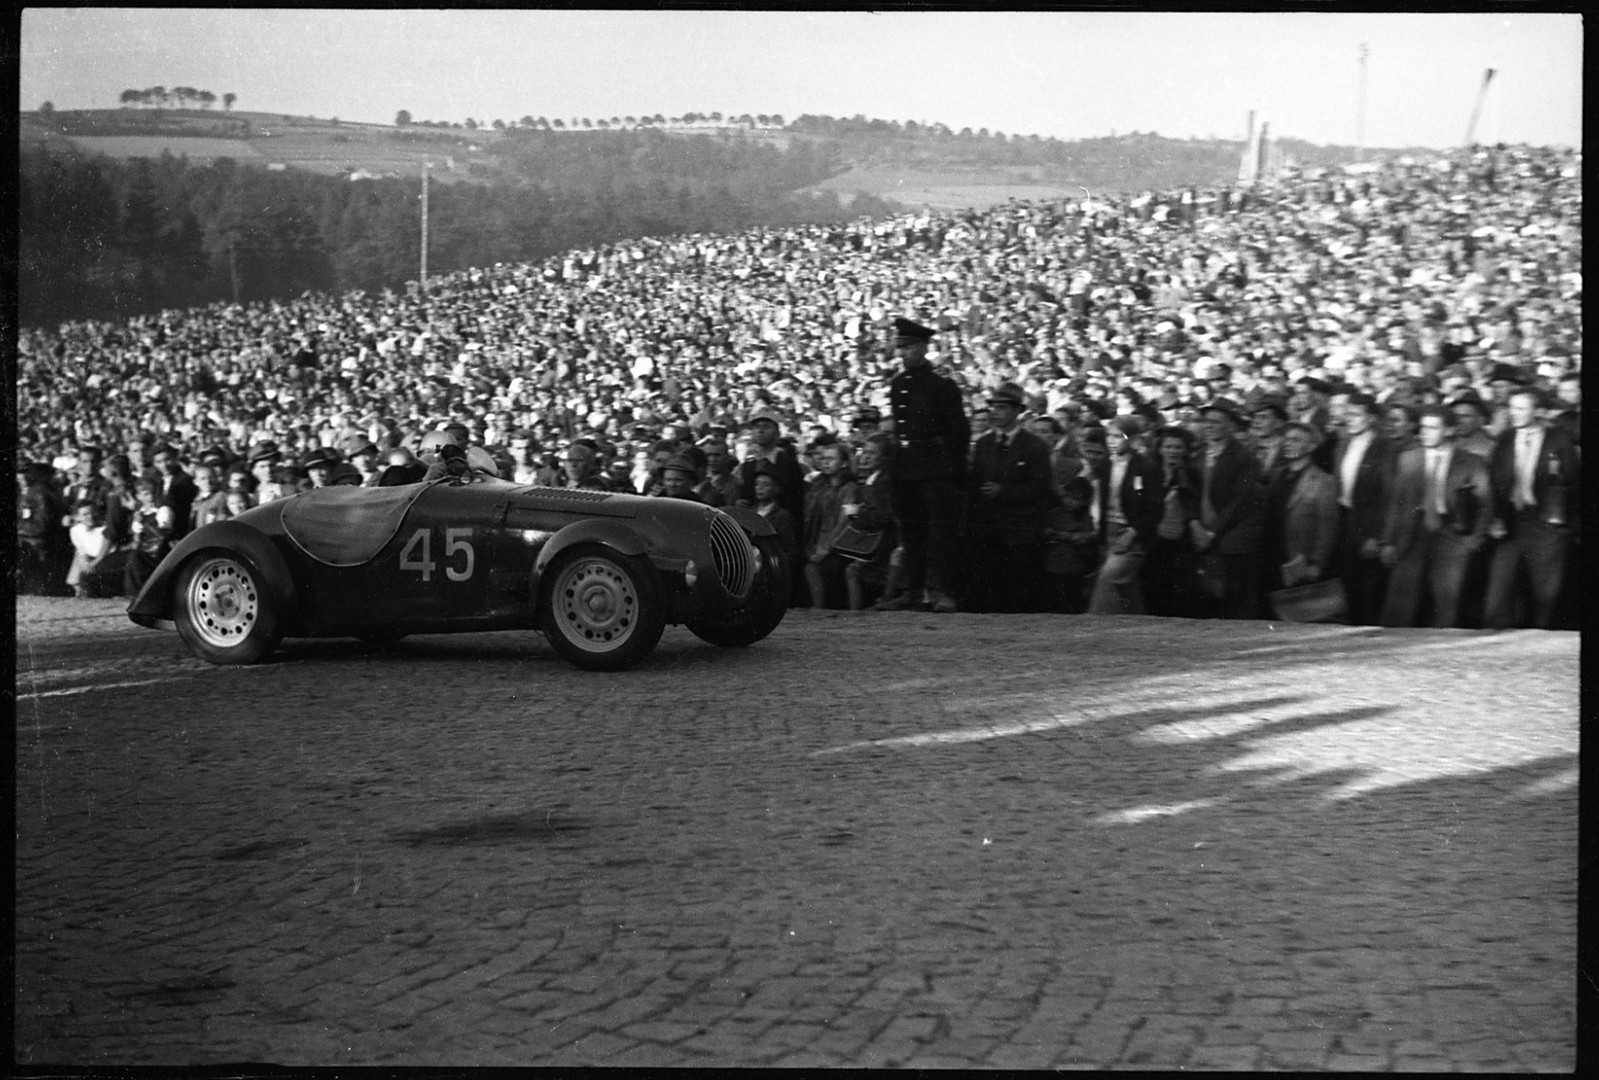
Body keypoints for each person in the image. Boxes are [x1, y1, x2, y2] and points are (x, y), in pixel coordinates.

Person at [876, 317, 969, 613]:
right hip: (905, 465)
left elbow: (959, 432)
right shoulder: (899, 384)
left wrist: (951, 469)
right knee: (911, 532)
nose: (902, 354)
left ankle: (944, 592)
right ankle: (913, 591)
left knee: (941, 532)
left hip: (936, 467)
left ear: (923, 348)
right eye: (899, 348)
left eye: (908, 348)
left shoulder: (941, 385)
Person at [1379, 405, 1491, 628]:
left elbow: (1486, 504)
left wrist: (1473, 540)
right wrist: (1388, 541)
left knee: (1447, 600)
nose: (1425, 433)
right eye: (1423, 428)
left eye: (1432, 428)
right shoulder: (1408, 459)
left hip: (1452, 533)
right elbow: (1396, 503)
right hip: (1413, 533)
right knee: (1400, 600)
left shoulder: (1471, 461)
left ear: (1449, 431)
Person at [1482, 386, 1580, 629]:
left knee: (1545, 598)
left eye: (1522, 408)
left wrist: (1569, 528)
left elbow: (1576, 485)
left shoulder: (1559, 440)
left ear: (1538, 411)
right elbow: (1494, 482)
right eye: (1512, 407)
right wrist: (1494, 518)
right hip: (1510, 525)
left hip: (1547, 526)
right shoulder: (1505, 439)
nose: (1514, 413)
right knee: (1497, 596)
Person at [965, 382, 1054, 613]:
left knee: (1019, 593)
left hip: (1020, 531)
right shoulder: (984, 443)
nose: (995, 412)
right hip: (988, 529)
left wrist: (1004, 492)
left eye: (1002, 407)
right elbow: (976, 484)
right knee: (989, 589)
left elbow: (1041, 488)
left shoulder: (1034, 446)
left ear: (1017, 411)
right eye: (993, 407)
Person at [1188, 399, 1264, 620]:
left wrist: (1211, 531)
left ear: (1229, 426)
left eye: (1216, 422)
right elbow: (1189, 494)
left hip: (1233, 535)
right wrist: (1194, 524)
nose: (1209, 426)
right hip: (1202, 533)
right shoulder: (1198, 457)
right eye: (1206, 422)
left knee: (1234, 598)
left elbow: (1241, 501)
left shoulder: (1244, 458)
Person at [1086, 415, 1162, 615]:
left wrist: (1131, 533)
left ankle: (1096, 623)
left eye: (1119, 436)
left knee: (1108, 577)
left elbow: (1155, 509)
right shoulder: (1104, 466)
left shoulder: (1146, 467)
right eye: (1109, 436)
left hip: (1132, 536)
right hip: (1108, 533)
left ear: (1133, 439)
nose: (1112, 441)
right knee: (1125, 588)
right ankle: (1137, 626)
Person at [1332, 392, 1396, 625]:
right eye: (1347, 414)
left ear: (1370, 419)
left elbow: (1389, 496)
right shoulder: (1343, 443)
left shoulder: (1385, 447)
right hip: (1345, 520)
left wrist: (1377, 536)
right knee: (1348, 585)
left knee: (1370, 588)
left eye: (1356, 415)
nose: (1350, 419)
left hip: (1369, 525)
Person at [1262, 421, 1341, 604]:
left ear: (1311, 446)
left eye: (1296, 440)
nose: (1288, 444)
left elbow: (1327, 528)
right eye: (1287, 439)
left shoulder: (1323, 481)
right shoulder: (1278, 474)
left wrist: (1316, 563)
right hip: (1271, 555)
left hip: (1298, 559)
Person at [1143, 425, 1202, 618]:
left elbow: (1194, 504)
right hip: (1153, 539)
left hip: (1179, 541)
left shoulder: (1191, 474)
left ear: (1185, 450)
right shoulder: (1150, 472)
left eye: (1178, 447)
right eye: (1168, 447)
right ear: (1160, 449)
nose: (1173, 451)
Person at [842, 432, 899, 611]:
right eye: (864, 452)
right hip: (875, 538)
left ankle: (856, 613)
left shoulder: (885, 482)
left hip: (886, 540)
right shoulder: (870, 480)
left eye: (872, 453)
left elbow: (884, 516)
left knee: (852, 570)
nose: (865, 457)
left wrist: (858, 514)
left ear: (885, 457)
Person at [1043, 472, 1099, 614]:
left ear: (1085, 501)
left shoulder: (1085, 519)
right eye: (1067, 496)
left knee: (1071, 604)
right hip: (1053, 567)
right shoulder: (1055, 513)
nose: (1069, 501)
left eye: (1075, 498)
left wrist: (1069, 537)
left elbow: (1088, 542)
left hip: (1073, 570)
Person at [16, 461, 69, 596]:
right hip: (34, 542)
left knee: (36, 584)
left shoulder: (39, 493)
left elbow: (41, 525)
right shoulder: (36, 492)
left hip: (37, 544)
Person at [150, 443, 198, 544]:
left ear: (175, 458)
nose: (164, 465)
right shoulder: (158, 483)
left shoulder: (185, 480)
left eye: (167, 459)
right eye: (159, 462)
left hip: (183, 534)